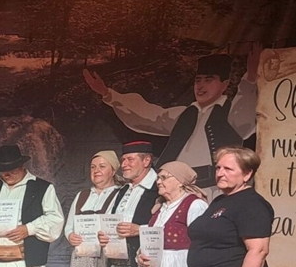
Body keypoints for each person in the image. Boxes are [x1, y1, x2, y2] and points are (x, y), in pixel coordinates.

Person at [83, 47, 260, 192]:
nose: (201, 86)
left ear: (225, 84)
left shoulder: (230, 113)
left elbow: (244, 116)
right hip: (176, 188)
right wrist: (108, 94)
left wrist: (250, 79)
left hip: (212, 188)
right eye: (198, 80)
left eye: (208, 80)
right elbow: (149, 115)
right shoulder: (186, 114)